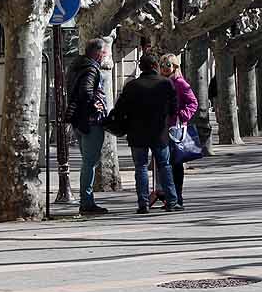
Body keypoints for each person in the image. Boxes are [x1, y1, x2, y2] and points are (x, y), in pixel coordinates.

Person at [109, 52, 181, 214]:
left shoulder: (131, 86)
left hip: (137, 133)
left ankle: (143, 203)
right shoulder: (166, 84)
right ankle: (172, 201)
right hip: (159, 133)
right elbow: (174, 108)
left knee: (140, 167)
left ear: (140, 67)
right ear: (156, 66)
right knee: (165, 166)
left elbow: (120, 109)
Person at [68, 38, 112, 216]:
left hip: (78, 120)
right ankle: (86, 202)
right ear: (97, 52)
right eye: (104, 53)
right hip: (90, 122)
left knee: (88, 161)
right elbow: (86, 92)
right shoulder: (91, 68)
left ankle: (87, 199)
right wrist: (96, 104)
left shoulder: (76, 66)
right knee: (90, 162)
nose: (105, 57)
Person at [159, 53, 199, 206]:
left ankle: (178, 196)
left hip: (176, 127)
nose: (164, 68)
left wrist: (182, 115)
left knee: (176, 162)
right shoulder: (161, 82)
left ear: (174, 66)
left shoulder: (180, 83)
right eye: (161, 65)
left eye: (167, 65)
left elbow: (193, 103)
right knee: (165, 162)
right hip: (162, 127)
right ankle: (169, 195)